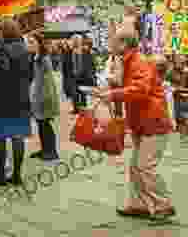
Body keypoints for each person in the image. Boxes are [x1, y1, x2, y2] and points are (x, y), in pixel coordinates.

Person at [94, 34, 176, 220]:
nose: (110, 44)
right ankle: (140, 205)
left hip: (153, 123)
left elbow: (141, 89)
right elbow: (133, 87)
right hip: (143, 122)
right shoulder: (129, 61)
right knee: (136, 167)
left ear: (123, 44)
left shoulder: (138, 61)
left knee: (144, 166)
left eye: (113, 41)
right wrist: (110, 90)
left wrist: (113, 94)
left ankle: (163, 205)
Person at [0, 19, 32, 186]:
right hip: (22, 97)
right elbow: (29, 75)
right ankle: (17, 175)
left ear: (4, 32)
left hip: (5, 98)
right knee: (17, 136)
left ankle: (0, 176)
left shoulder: (3, 49)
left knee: (0, 136)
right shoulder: (25, 49)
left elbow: (3, 72)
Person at [26, 32, 60, 161]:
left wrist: (40, 98)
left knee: (45, 124)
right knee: (41, 124)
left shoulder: (43, 59)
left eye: (32, 42)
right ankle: (45, 149)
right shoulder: (37, 57)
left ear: (39, 43)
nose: (29, 45)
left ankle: (51, 151)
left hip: (44, 97)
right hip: (39, 96)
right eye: (28, 42)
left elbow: (46, 82)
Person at [71, 35, 96, 113]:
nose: (76, 42)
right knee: (75, 93)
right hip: (75, 74)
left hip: (83, 74)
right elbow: (73, 63)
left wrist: (91, 72)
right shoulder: (73, 51)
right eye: (74, 40)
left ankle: (82, 108)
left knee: (82, 93)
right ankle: (76, 108)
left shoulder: (85, 50)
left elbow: (90, 62)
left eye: (77, 40)